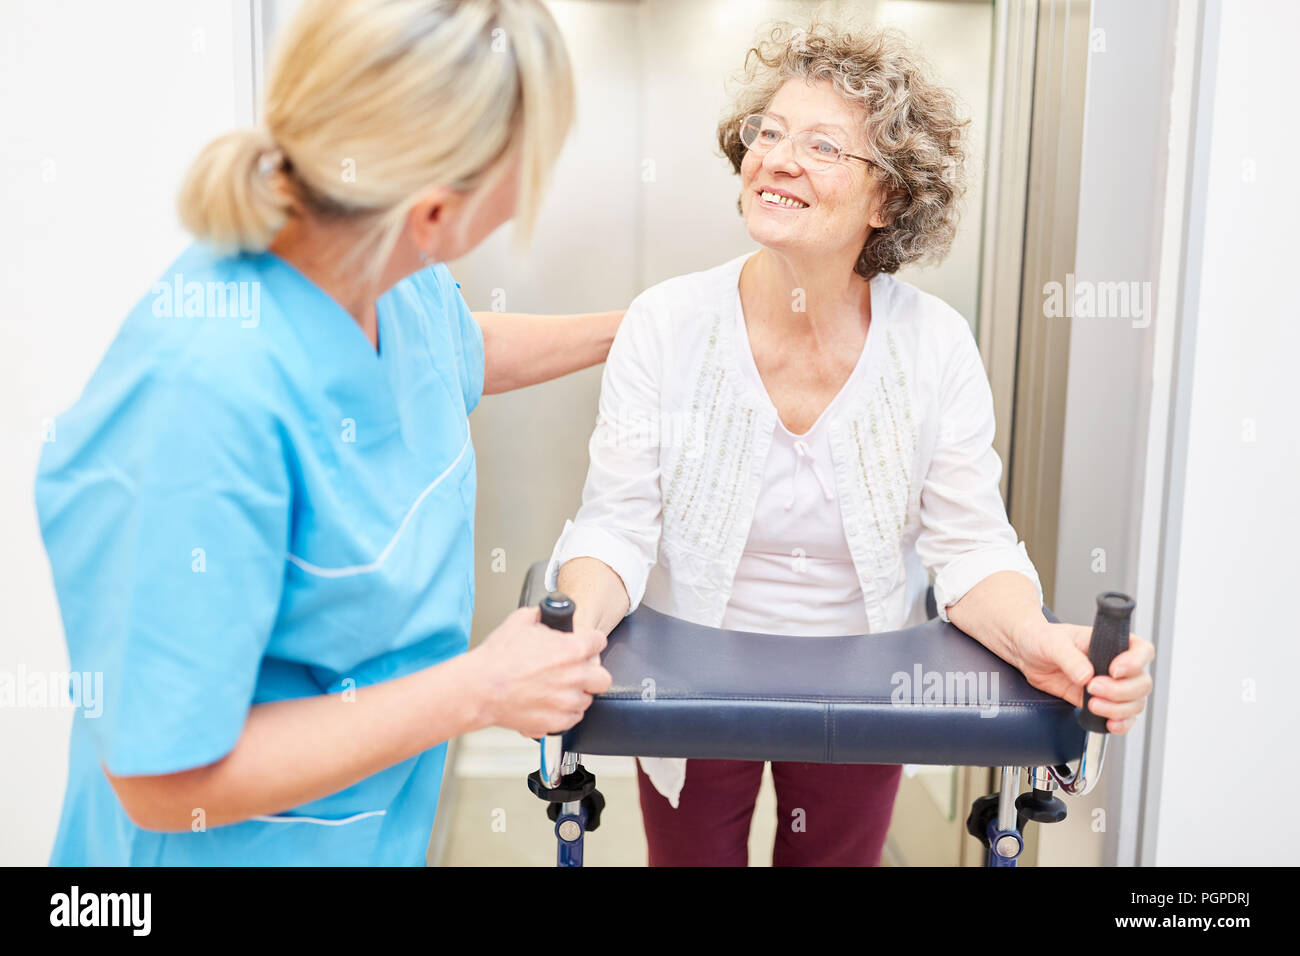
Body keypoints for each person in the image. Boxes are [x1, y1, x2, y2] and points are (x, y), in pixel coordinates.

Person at [548, 19, 1155, 867]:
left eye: (823, 145)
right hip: (687, 676)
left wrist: (1040, 641)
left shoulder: (934, 345)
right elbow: (614, 526)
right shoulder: (666, 323)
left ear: (887, 199)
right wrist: (573, 628)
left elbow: (971, 547)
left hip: (871, 684)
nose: (779, 158)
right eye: (769, 133)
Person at [36, 0, 613, 866]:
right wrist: (480, 689)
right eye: (525, 169)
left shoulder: (389, 270)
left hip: (370, 832)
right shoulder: (201, 396)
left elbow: (451, 351)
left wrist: (639, 329)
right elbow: (162, 784)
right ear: (433, 211)